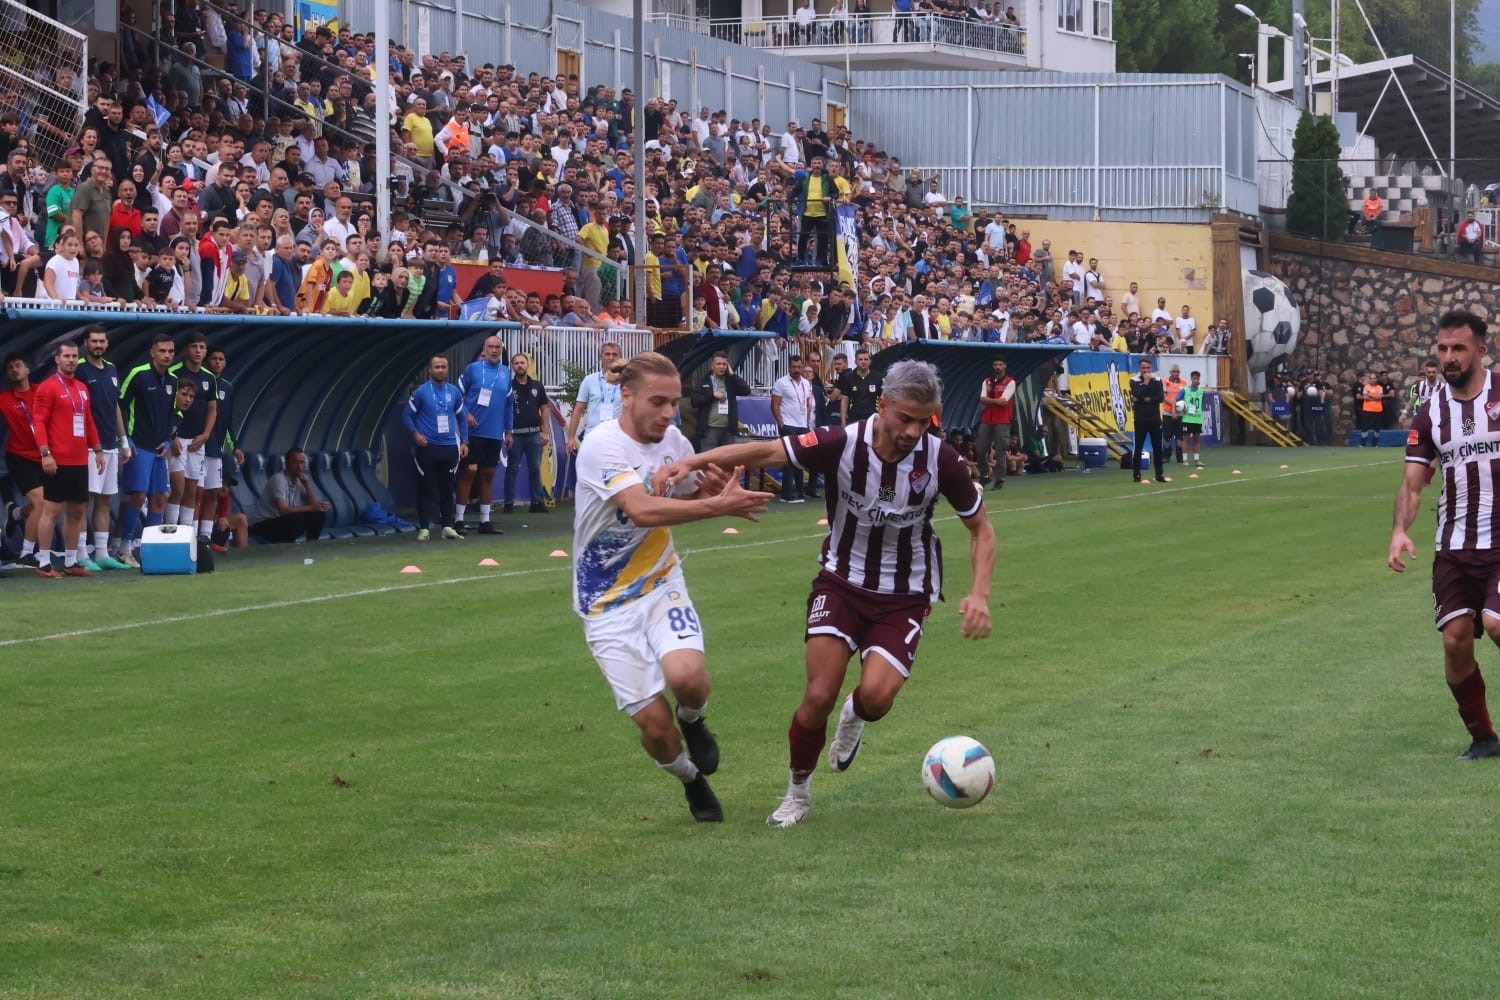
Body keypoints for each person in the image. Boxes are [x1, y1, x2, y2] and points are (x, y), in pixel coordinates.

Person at [655, 360, 994, 827]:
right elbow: (768, 452)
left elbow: (981, 529)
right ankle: (798, 793)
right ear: (884, 406)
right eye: (906, 418)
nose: (915, 430)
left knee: (876, 698)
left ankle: (855, 715)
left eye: (924, 420)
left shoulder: (942, 461)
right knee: (817, 695)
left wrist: (979, 593)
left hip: (905, 594)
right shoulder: (841, 442)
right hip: (840, 582)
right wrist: (693, 460)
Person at [572, 350, 773, 823]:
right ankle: (690, 779)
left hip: (662, 583)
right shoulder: (603, 444)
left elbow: (689, 495)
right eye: (657, 402)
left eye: (674, 403)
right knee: (656, 730)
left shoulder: (675, 441)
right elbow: (642, 509)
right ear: (626, 396)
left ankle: (694, 718)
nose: (668, 414)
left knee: (688, 680)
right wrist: (718, 508)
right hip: (604, 606)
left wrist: (714, 489)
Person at [1389, 308, 1500, 760]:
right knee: (1455, 639)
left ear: (1481, 350)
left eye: (1458, 349)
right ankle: (1484, 738)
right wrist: (1399, 530)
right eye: (1442, 349)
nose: (1449, 357)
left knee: (1496, 624)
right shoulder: (1430, 411)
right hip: (1454, 547)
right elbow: (1413, 484)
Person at [30, 342, 106, 578]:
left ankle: (71, 561)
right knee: (51, 511)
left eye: (74, 356)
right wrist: (45, 453)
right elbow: (38, 422)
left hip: (79, 460)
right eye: (67, 356)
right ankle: (43, 562)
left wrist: (98, 449)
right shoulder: (48, 387)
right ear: (57, 359)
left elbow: (88, 421)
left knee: (77, 511)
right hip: (57, 459)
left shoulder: (82, 387)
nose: (71, 360)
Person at [73, 326, 133, 570]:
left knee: (106, 500)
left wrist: (124, 441)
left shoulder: (111, 369)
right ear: (86, 343)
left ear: (107, 343)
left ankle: (101, 553)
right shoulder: (79, 369)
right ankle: (79, 554)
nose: (98, 345)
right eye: (94, 341)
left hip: (110, 444)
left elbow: (115, 407)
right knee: (82, 501)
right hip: (88, 446)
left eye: (102, 341)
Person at [119, 333, 178, 560]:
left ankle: (151, 549)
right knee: (138, 496)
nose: (167, 355)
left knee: (161, 496)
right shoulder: (139, 374)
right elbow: (120, 405)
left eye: (171, 351)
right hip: (139, 445)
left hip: (160, 449)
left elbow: (173, 415)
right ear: (152, 352)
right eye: (162, 351)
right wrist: (126, 439)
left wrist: (167, 439)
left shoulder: (172, 380)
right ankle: (124, 548)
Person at [404, 353, 469, 541]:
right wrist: (415, 434)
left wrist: (464, 441)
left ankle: (447, 526)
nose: (440, 370)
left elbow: (461, 417)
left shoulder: (454, 392)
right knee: (426, 488)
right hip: (427, 448)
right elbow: (407, 415)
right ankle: (424, 528)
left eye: (443, 367)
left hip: (449, 448)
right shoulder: (421, 392)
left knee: (447, 489)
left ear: (447, 369)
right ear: (430, 370)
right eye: (437, 367)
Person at [455, 335, 513, 535]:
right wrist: (466, 413)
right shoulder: (473, 369)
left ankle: (485, 521)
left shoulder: (506, 372)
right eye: (491, 347)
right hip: (473, 432)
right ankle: (459, 519)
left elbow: (509, 405)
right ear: (484, 349)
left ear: (502, 350)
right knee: (468, 472)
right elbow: (457, 395)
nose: (494, 351)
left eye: (498, 347)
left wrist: (509, 430)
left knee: (488, 475)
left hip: (494, 433)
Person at [166, 333, 218, 536]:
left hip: (198, 440)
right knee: (177, 487)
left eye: (202, 347)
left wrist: (205, 434)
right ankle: (169, 531)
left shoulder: (209, 377)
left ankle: (188, 535)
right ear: (187, 349)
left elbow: (213, 409)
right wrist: (172, 436)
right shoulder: (173, 373)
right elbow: (166, 406)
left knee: (193, 490)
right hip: (177, 439)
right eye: (194, 346)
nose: (198, 351)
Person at [0, 352, 46, 568]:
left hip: (45, 456)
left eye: (18, 365)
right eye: (10, 368)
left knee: (51, 503)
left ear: (28, 369)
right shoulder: (4, 399)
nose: (14, 370)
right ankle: (26, 553)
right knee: (40, 502)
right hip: (19, 456)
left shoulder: (42, 393)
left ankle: (16, 513)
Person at [251, 447, 330, 543]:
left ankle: (311, 544)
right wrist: (311, 508)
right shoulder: (278, 479)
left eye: (302, 462)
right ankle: (287, 546)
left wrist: (306, 486)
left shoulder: (299, 480)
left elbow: (313, 506)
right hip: (264, 524)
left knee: (319, 514)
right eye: (295, 462)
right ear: (287, 463)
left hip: (282, 522)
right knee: (296, 519)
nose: (299, 466)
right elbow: (283, 510)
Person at [505, 352, 551, 514]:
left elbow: (544, 410)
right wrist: (507, 432)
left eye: (522, 363)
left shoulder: (537, 386)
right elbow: (505, 410)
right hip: (515, 434)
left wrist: (545, 432)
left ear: (527, 365)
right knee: (512, 468)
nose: (519, 365)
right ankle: (508, 503)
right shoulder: (508, 386)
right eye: (516, 363)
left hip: (533, 434)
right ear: (513, 367)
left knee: (534, 468)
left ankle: (536, 502)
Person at [770, 355, 814, 503]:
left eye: (798, 367)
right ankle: (786, 494)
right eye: (793, 367)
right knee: (789, 459)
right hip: (788, 424)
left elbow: (808, 403)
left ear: (802, 366)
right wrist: (781, 424)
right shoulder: (781, 383)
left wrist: (807, 422)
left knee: (801, 460)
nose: (796, 370)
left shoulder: (807, 383)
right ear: (789, 367)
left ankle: (800, 492)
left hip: (802, 425)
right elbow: (775, 404)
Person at [567, 342, 623, 454]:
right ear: (600, 356)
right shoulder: (589, 380)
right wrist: (571, 438)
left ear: (619, 357)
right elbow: (578, 409)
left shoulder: (627, 381)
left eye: (614, 354)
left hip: (618, 437)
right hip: (593, 436)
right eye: (607, 354)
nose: (611, 358)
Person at [689, 351, 751, 452]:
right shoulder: (704, 381)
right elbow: (694, 401)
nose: (721, 367)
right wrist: (712, 395)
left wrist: (732, 374)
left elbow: (746, 390)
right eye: (718, 364)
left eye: (724, 364)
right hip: (710, 429)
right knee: (709, 461)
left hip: (728, 430)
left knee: (727, 462)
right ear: (712, 366)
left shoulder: (731, 381)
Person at [974, 356, 1014, 490]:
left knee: (1000, 451)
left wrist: (988, 401)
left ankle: (1000, 480)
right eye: (996, 364)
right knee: (980, 449)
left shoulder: (1010, 382)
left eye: (1000, 364)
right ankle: (985, 475)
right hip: (987, 419)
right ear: (993, 366)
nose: (998, 367)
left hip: (1002, 420)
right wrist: (995, 401)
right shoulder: (987, 381)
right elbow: (982, 398)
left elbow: (1004, 401)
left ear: (1005, 366)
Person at [1129, 356, 1166, 483]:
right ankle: (1137, 474)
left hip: (1155, 418)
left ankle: (1159, 474)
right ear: (1139, 368)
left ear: (1152, 368)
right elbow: (1137, 394)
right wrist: (1145, 383)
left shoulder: (1157, 379)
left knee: (1157, 448)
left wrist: (1147, 399)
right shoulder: (1134, 380)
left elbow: (1160, 397)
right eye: (1143, 368)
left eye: (1148, 368)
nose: (1146, 370)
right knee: (1138, 447)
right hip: (1140, 419)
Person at [835, 347, 883, 426]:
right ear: (855, 361)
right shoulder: (848, 378)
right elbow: (844, 401)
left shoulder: (878, 378)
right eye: (860, 359)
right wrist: (843, 422)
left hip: (872, 420)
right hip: (854, 419)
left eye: (865, 359)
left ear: (870, 361)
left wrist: (882, 418)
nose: (863, 362)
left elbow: (882, 399)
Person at [1160, 364, 1187, 465]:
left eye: (1177, 372)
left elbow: (1185, 397)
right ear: (1170, 372)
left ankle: (1180, 457)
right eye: (1174, 371)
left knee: (1180, 436)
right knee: (1167, 435)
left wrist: (1177, 407)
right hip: (1167, 412)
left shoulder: (1184, 383)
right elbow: (1163, 396)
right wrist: (1172, 404)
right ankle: (1166, 456)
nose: (1176, 373)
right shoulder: (1164, 382)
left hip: (1180, 413)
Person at [1179, 369, 1206, 468]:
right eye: (1194, 378)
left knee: (1196, 438)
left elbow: (1202, 403)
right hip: (1187, 418)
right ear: (1191, 379)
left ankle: (1196, 459)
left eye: (1198, 379)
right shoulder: (1185, 390)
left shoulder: (1201, 391)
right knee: (1186, 438)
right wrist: (1178, 408)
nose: (1196, 380)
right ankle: (1185, 460)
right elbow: (1177, 400)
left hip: (1197, 419)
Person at [1357, 371, 1384, 446]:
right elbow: (1365, 398)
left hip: (1377, 410)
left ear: (1376, 379)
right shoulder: (1366, 387)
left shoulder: (1380, 388)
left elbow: (1379, 397)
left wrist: (1370, 395)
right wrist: (1374, 397)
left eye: (1374, 378)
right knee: (1365, 427)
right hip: (1367, 410)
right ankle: (1363, 444)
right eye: (1371, 378)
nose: (1373, 380)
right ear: (1369, 379)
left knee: (1377, 428)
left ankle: (1375, 444)